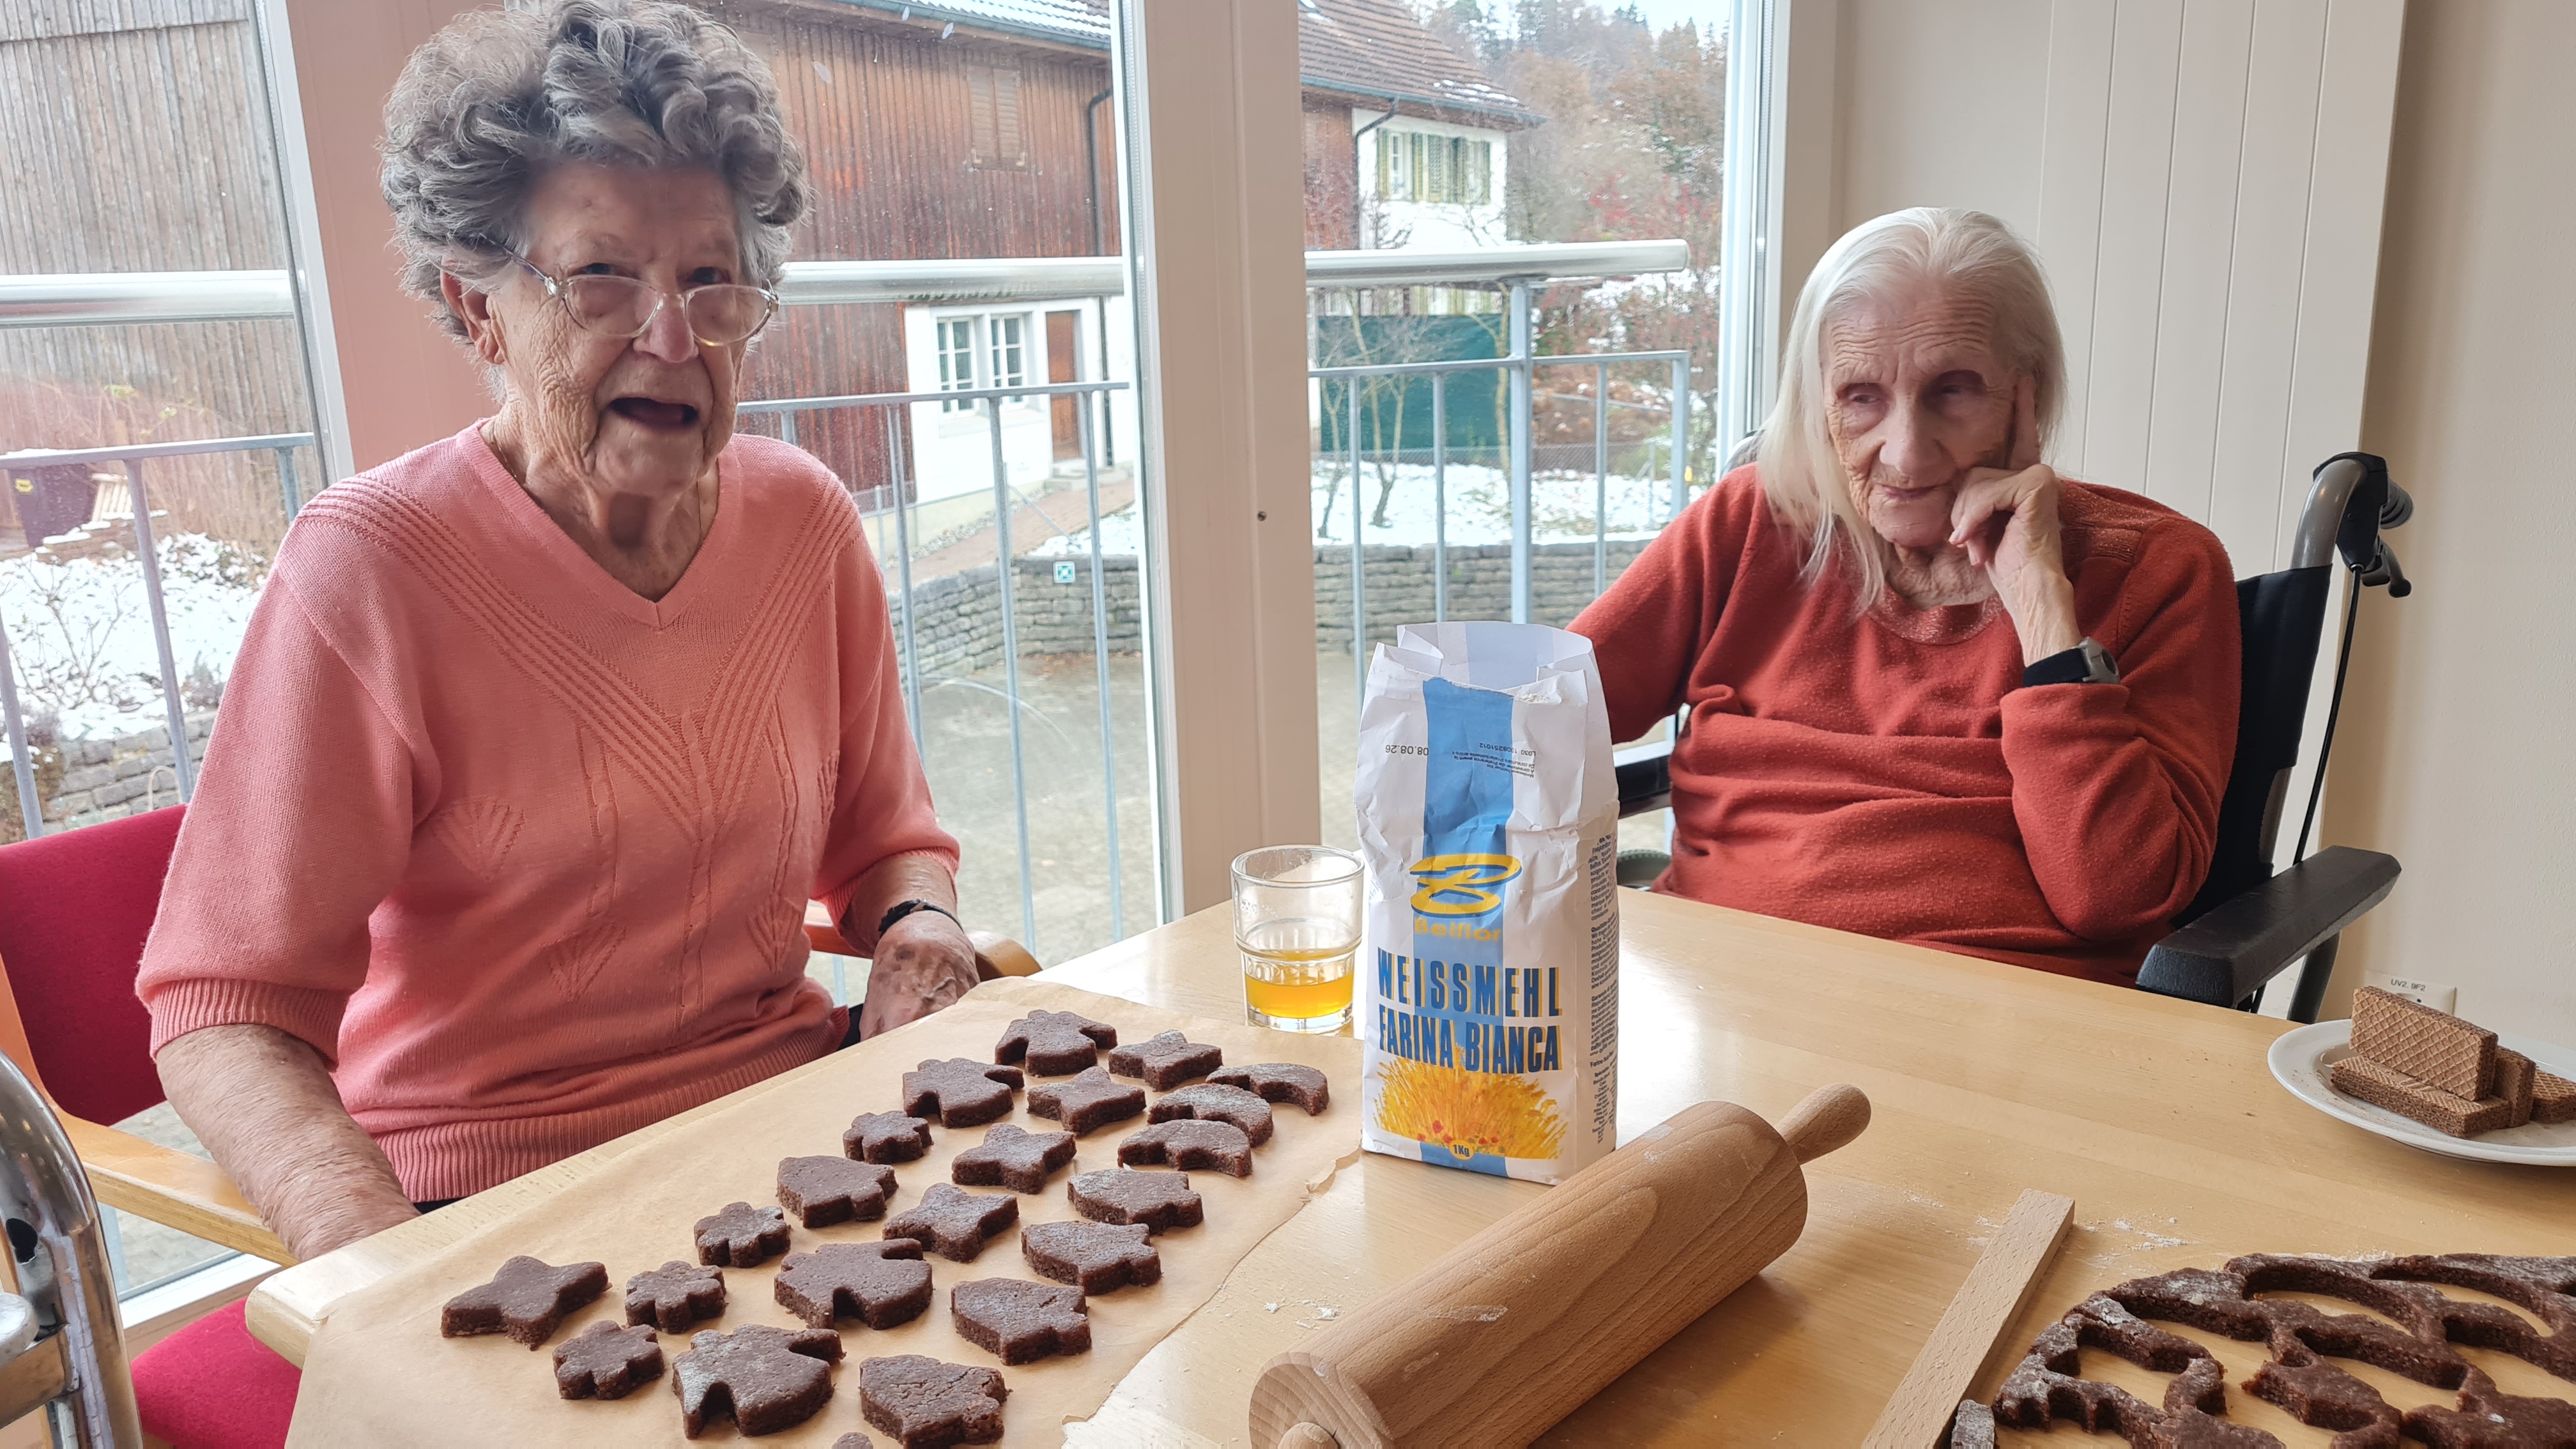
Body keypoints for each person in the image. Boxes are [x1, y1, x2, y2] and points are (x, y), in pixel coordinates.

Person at [137, 0, 978, 1261]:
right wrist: (373, 1263)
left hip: (798, 1137)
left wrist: (921, 927)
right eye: (602, 279)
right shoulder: (372, 568)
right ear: (477, 305)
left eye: (711, 280)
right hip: (501, 1206)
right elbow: (224, 1008)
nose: (672, 338)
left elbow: (886, 844)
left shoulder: (803, 523)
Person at [1572, 208, 2240, 986]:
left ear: (2027, 393)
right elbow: (1525, 726)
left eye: (1953, 391)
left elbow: (2115, 900)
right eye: (1861, 397)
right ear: (1817, 402)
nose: (1907, 452)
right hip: (1718, 988)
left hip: (1996, 1013)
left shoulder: (2157, 568)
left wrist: (2040, 606)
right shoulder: (1751, 525)